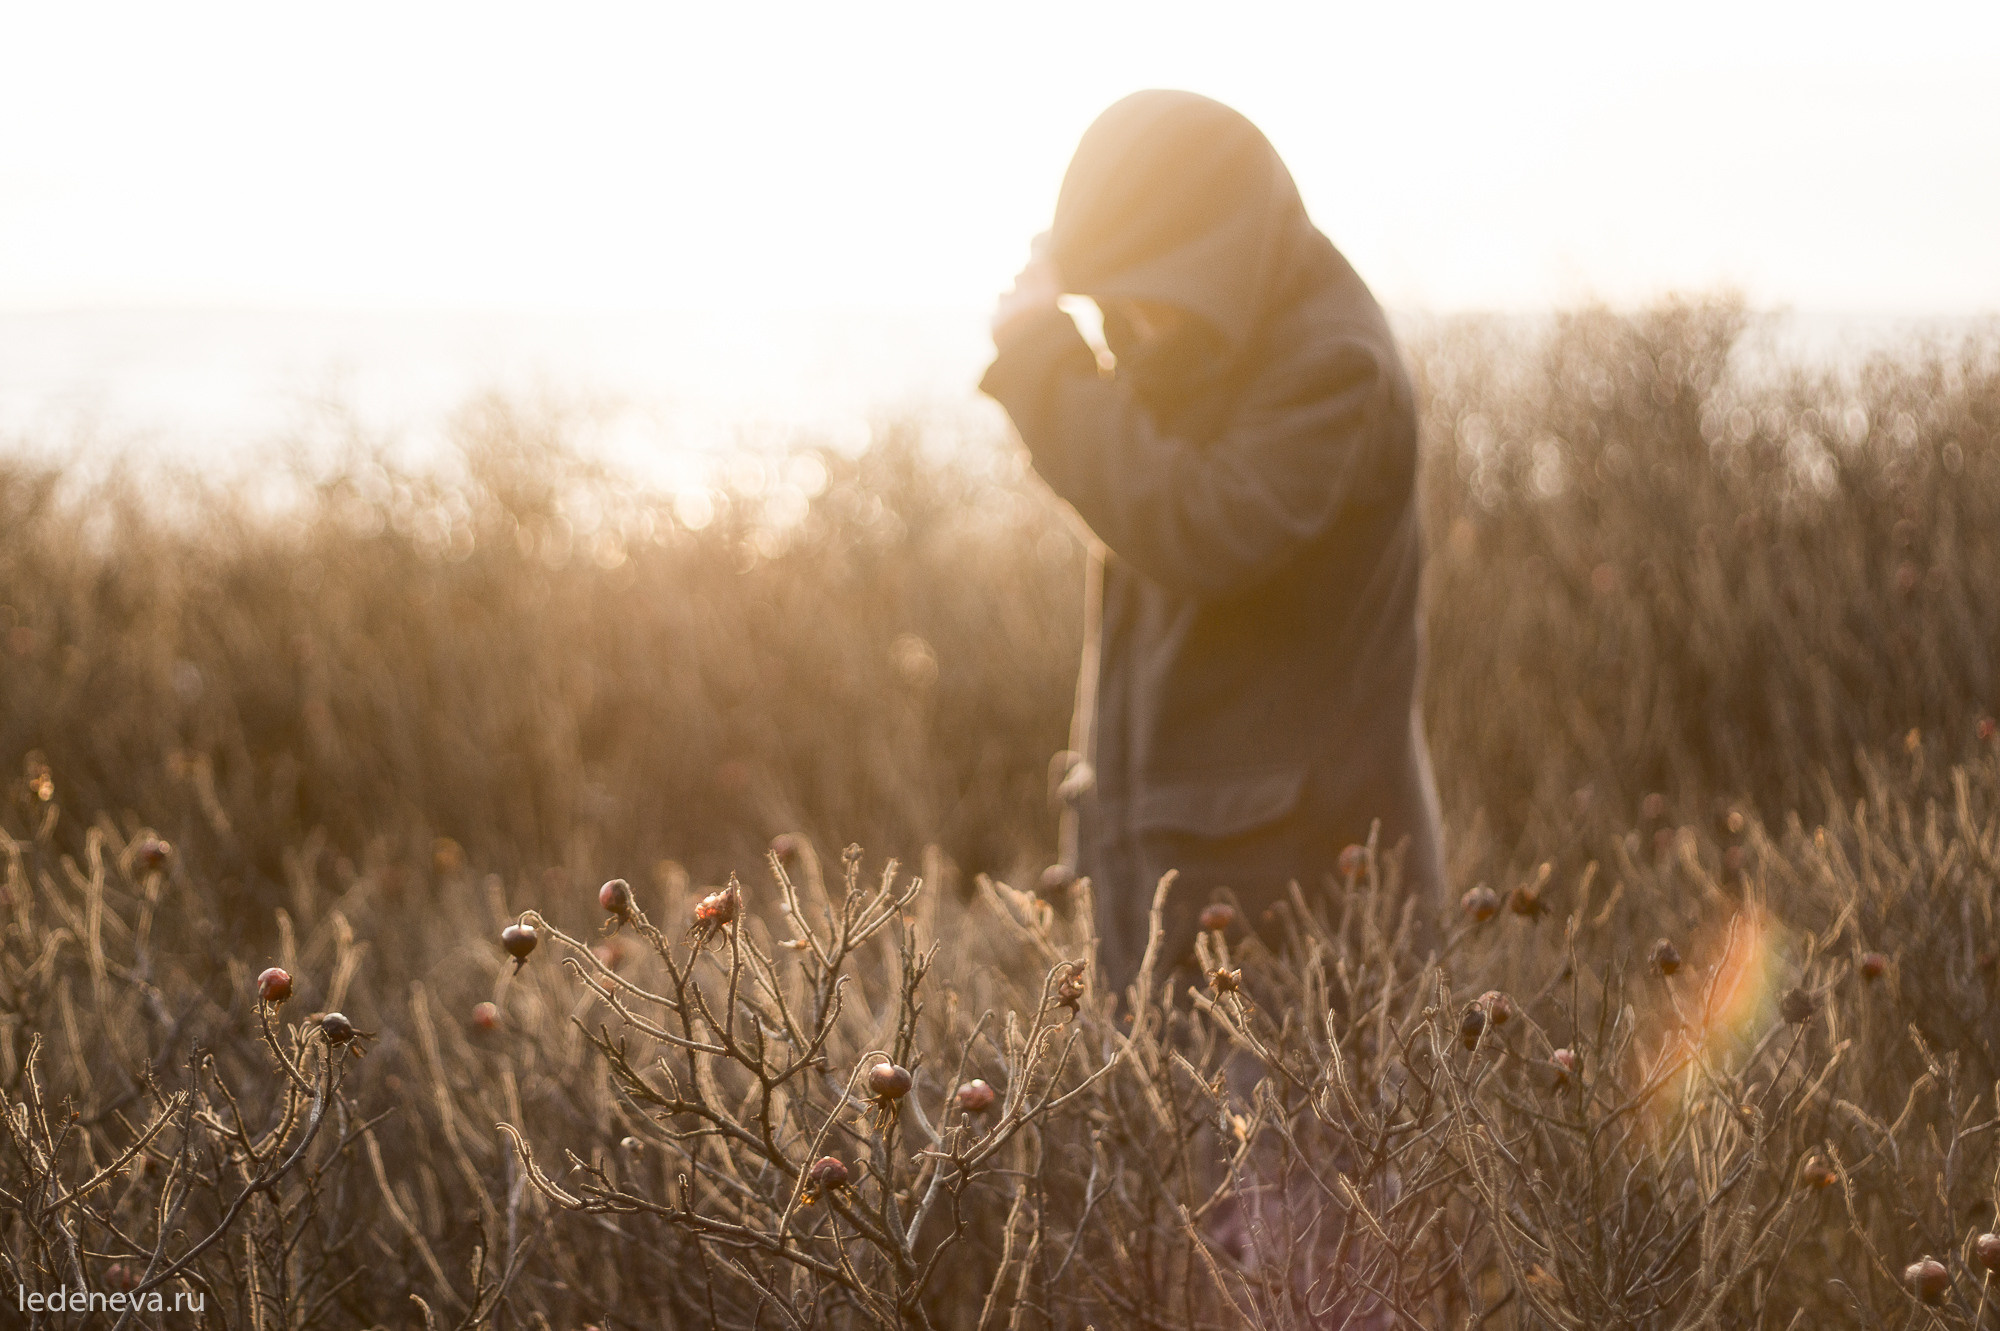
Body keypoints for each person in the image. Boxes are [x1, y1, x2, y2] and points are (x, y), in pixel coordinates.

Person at [980, 90, 1446, 1007]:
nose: (1131, 329)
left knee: (1303, 1152)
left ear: (1207, 261)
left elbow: (1201, 526)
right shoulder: (1219, 335)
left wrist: (1045, 365)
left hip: (1290, 901)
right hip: (1176, 878)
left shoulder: (1330, 365)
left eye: (1147, 299)